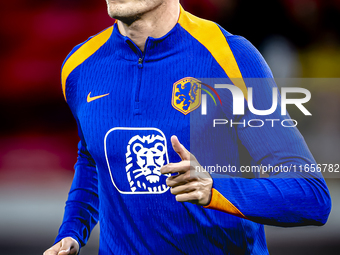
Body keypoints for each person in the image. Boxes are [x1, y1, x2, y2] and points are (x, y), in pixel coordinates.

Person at [44, 0, 331, 254]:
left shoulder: (231, 57)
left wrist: (213, 190)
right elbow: (94, 159)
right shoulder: (79, 67)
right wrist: (72, 230)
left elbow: (311, 195)